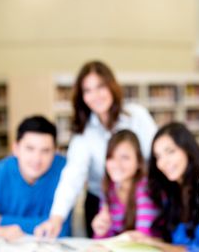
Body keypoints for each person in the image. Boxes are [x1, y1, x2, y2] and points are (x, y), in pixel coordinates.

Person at [35, 60, 157, 238]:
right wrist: (56, 218)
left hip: (142, 198)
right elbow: (72, 176)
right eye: (87, 90)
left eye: (100, 86)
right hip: (103, 204)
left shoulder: (136, 116)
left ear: (111, 86)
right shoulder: (83, 134)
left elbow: (155, 156)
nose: (95, 95)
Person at [132, 122, 199, 252]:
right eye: (158, 157)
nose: (162, 163)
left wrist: (155, 244)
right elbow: (175, 244)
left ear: (187, 149)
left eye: (170, 152)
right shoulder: (175, 194)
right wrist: (144, 240)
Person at [91, 129, 158, 238]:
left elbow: (142, 238)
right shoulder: (109, 188)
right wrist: (101, 230)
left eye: (125, 158)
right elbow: (103, 240)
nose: (116, 164)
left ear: (139, 162)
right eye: (111, 157)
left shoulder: (146, 189)